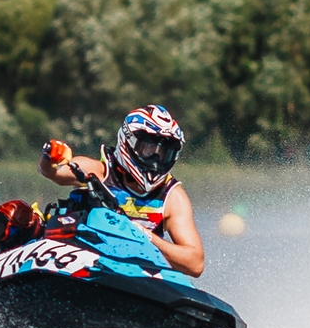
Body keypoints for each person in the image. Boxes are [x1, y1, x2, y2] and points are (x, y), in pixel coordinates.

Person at [39, 104, 206, 277]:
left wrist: (147, 238)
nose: (156, 159)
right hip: (79, 263)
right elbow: (53, 173)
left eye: (164, 153)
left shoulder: (172, 197)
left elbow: (195, 263)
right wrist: (50, 155)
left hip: (134, 276)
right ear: (129, 141)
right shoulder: (100, 171)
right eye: (149, 149)